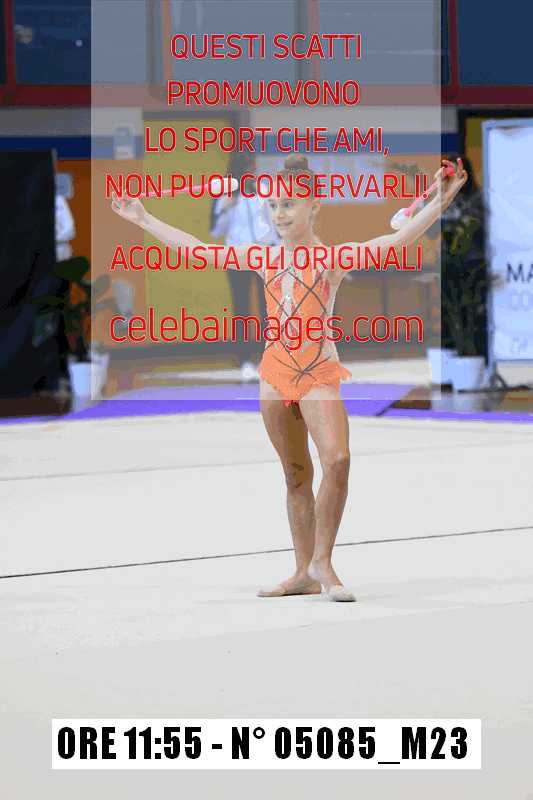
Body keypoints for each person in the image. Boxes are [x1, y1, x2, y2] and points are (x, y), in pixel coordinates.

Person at [111, 154, 467, 602]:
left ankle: (323, 561)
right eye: (274, 205)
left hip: (318, 370)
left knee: (337, 460)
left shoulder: (332, 259)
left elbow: (395, 240)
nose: (279, 214)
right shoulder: (262, 257)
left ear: (314, 206)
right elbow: (199, 250)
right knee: (296, 474)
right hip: (276, 372)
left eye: (290, 205)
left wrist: (439, 201)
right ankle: (303, 573)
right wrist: (144, 219)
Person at [210, 156, 279, 380]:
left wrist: (279, 249)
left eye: (252, 169)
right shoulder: (225, 195)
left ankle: (271, 358)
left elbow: (275, 223)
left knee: (269, 309)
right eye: (245, 170)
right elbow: (215, 231)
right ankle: (245, 361)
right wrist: (226, 209)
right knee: (241, 309)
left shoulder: (264, 190)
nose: (249, 174)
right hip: (237, 256)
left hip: (265, 254)